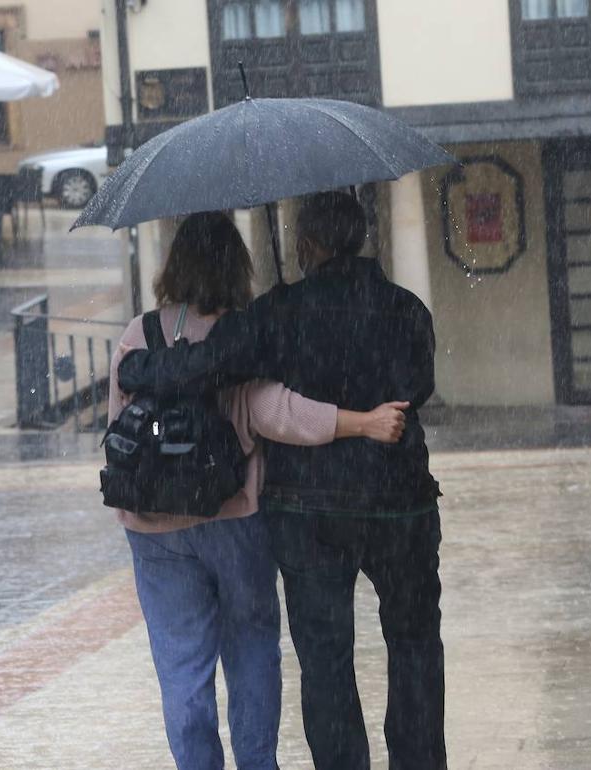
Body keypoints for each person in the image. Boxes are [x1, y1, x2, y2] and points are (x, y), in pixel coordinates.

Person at [118, 193, 444, 770]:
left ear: (307, 246)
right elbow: (415, 389)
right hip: (400, 505)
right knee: (414, 646)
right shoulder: (409, 309)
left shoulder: (275, 315)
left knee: (325, 659)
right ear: (360, 240)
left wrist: (140, 368)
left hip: (309, 512)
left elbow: (210, 365)